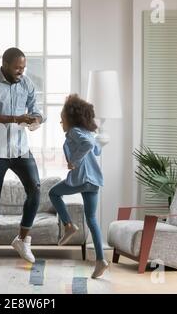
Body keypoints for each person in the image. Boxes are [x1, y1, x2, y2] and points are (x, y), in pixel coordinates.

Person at [0, 47, 46, 267]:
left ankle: (22, 239)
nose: (21, 71)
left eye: (23, 67)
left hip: (20, 149)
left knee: (35, 189)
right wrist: (17, 118)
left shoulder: (26, 83)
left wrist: (37, 118)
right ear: (5, 64)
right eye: (17, 67)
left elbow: (36, 108)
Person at [48, 94, 109, 279]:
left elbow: (89, 145)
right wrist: (101, 138)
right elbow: (95, 148)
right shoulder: (85, 132)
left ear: (71, 119)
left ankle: (68, 226)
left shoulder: (75, 131)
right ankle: (101, 260)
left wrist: (74, 160)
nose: (60, 122)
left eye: (62, 118)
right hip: (93, 181)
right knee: (91, 219)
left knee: (53, 193)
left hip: (83, 179)